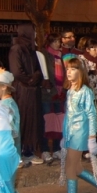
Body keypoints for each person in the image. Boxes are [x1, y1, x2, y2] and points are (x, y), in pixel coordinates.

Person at [53, 56, 97, 193]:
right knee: (77, 168)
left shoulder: (85, 91)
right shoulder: (70, 91)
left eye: (73, 69)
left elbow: (92, 115)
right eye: (67, 69)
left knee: (70, 168)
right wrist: (64, 135)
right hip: (70, 133)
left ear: (80, 71)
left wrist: (92, 138)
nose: (69, 72)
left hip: (80, 133)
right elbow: (69, 115)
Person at [9, 24, 44, 164]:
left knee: (32, 122)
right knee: (23, 120)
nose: (35, 35)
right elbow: (16, 71)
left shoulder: (32, 50)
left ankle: (29, 151)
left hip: (32, 90)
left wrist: (36, 77)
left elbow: (38, 69)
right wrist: (29, 80)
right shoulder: (16, 49)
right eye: (33, 32)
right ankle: (19, 152)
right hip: (22, 90)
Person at [38, 34, 64, 163]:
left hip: (59, 94)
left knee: (58, 121)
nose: (58, 44)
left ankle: (57, 148)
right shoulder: (43, 55)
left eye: (59, 41)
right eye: (55, 41)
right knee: (47, 121)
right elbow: (44, 74)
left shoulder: (60, 56)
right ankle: (45, 149)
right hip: (47, 94)